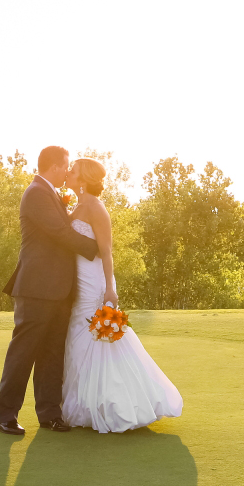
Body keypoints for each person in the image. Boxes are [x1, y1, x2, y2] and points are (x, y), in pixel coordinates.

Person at [61, 157, 183, 432]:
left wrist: (110, 288)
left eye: (74, 170)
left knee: (99, 338)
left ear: (84, 178)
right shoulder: (76, 203)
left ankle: (116, 405)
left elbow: (106, 252)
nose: (69, 172)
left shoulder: (96, 207)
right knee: (78, 339)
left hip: (93, 280)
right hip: (76, 281)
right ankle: (84, 403)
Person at [0, 146, 99, 435]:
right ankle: (5, 415)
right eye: (66, 166)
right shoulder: (37, 193)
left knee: (52, 355)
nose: (68, 171)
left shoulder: (51, 193)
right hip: (37, 288)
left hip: (60, 290)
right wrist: (97, 247)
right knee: (23, 353)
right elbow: (60, 233)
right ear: (54, 166)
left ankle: (50, 414)